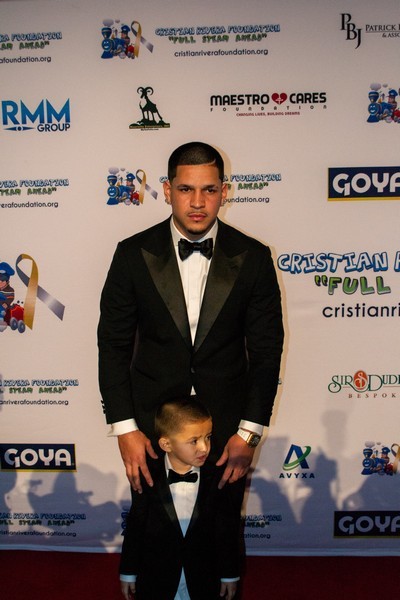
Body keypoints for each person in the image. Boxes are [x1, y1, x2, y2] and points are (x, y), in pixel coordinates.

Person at [98, 141, 284, 494]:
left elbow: (266, 351)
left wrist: (249, 432)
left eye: (209, 190)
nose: (197, 202)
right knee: (151, 525)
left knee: (222, 526)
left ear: (224, 192)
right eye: (185, 189)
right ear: (168, 191)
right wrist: (125, 429)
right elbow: (112, 346)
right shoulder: (132, 255)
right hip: (152, 429)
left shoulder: (254, 257)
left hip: (227, 431)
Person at [120, 398, 240, 600]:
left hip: (204, 580)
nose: (204, 448)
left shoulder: (218, 477)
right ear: (166, 444)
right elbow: (135, 527)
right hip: (157, 579)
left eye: (208, 437)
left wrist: (229, 574)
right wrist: (128, 572)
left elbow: (225, 530)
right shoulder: (147, 476)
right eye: (194, 441)